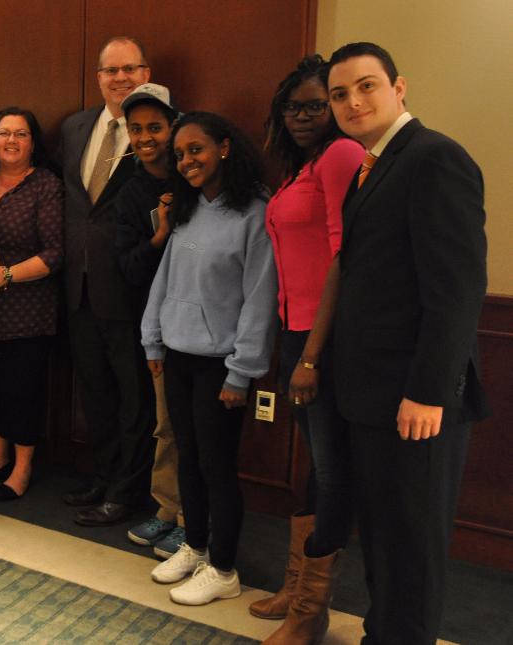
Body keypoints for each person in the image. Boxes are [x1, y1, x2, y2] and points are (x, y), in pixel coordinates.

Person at [326, 42, 488, 644]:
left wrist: (426, 393)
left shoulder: (434, 158)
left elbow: (456, 290)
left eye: (366, 86)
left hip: (414, 403)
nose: (353, 101)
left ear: (399, 88)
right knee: (387, 539)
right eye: (340, 94)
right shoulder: (373, 165)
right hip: (372, 396)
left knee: (412, 552)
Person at [251, 55, 364, 643]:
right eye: (292, 107)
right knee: (312, 467)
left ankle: (311, 612)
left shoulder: (342, 155)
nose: (301, 116)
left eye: (315, 106)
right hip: (296, 333)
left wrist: (314, 355)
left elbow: (346, 254)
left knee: (330, 469)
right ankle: (297, 590)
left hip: (327, 337)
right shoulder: (302, 168)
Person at [143, 112, 277, 606]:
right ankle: (195, 547)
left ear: (224, 147)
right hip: (177, 355)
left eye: (195, 150)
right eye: (179, 154)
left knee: (217, 466)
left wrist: (242, 372)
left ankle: (223, 568)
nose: (186, 161)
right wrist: (152, 340)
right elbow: (166, 281)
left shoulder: (254, 213)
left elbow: (261, 297)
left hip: (222, 363)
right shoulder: (187, 208)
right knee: (187, 459)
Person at [60, 36, 157, 526]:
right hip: (78, 288)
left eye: (129, 69)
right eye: (110, 70)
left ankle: (128, 491)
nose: (120, 78)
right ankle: (103, 476)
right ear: (98, 77)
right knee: (95, 393)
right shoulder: (76, 127)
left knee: (133, 398)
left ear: (147, 73)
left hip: (131, 288)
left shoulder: (160, 130)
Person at [110, 84, 185, 557]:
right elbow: (129, 266)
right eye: (136, 129)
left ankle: (193, 518)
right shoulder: (130, 186)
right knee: (166, 423)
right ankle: (167, 510)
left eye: (154, 127)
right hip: (156, 324)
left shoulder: (195, 171)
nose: (145, 137)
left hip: (207, 322)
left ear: (172, 127)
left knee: (194, 427)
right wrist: (159, 235)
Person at [0, 107, 63, 501]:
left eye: (21, 134)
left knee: (20, 390)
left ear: (32, 142)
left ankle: (22, 467)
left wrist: (6, 274)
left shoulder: (44, 185)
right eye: (4, 132)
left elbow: (56, 252)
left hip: (26, 308)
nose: (11, 140)